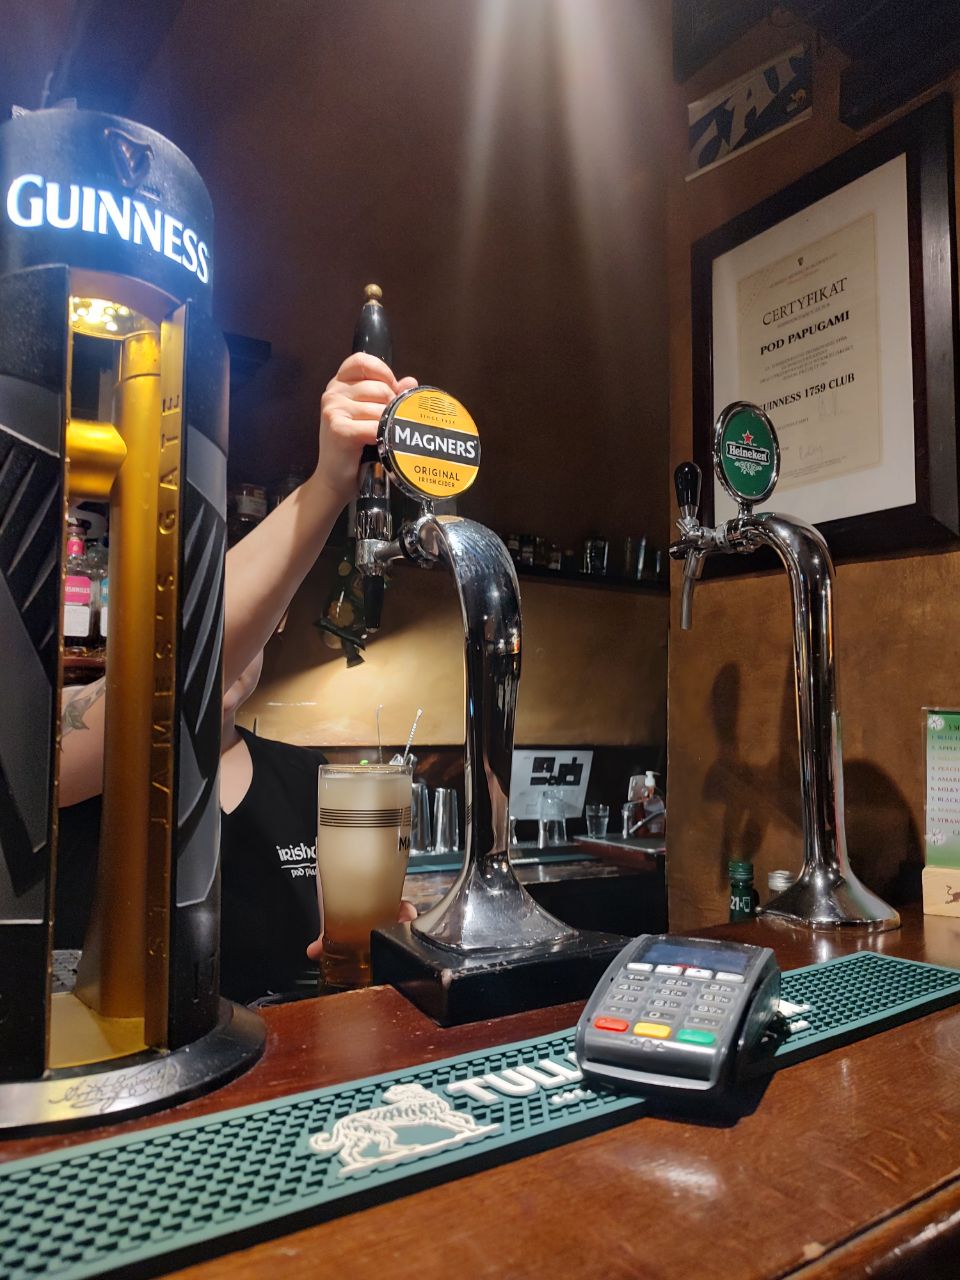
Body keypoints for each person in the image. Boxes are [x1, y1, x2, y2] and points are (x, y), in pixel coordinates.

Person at [57, 351, 419, 999]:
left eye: (257, 614)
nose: (238, 635)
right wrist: (328, 483)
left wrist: (381, 945)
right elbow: (186, 669)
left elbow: (337, 954)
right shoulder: (80, 749)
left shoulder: (311, 780)